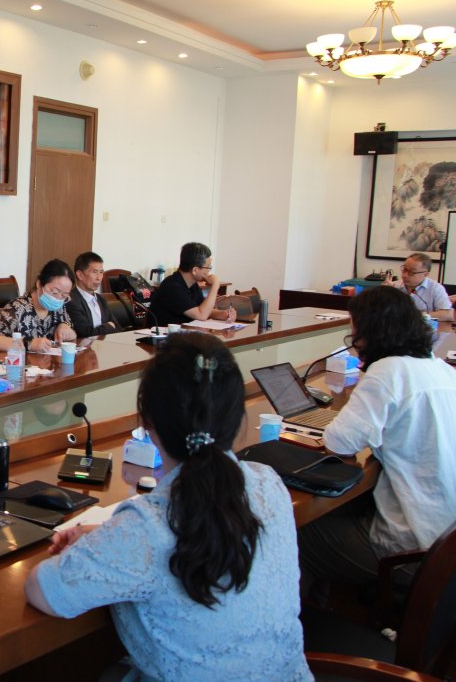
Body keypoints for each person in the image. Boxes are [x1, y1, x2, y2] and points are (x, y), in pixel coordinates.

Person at [24, 333, 311, 681]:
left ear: (147, 422)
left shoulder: (147, 526)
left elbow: (42, 589)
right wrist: (109, 536)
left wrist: (112, 539)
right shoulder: (268, 485)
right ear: (238, 416)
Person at [298, 285, 456, 591]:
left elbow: (338, 444)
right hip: (446, 543)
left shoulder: (387, 372)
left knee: (295, 528)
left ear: (369, 331)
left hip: (413, 551)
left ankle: (314, 614)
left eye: (354, 328)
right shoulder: (442, 369)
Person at [0, 259, 77, 353]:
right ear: (39, 284)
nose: (58, 299)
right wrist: (29, 344)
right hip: (19, 361)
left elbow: (73, 335)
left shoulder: (59, 307)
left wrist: (65, 327)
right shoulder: (17, 308)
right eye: (55, 292)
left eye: (64, 295)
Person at [149, 242, 236, 326]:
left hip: (184, 332)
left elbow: (203, 309)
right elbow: (202, 315)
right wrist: (215, 285)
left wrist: (224, 314)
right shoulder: (172, 286)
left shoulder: (192, 285)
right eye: (208, 267)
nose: (209, 271)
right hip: (164, 335)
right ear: (195, 270)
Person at [66, 251, 123, 338]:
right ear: (80, 275)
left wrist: (108, 327)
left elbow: (118, 328)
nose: (99, 278)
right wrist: (109, 326)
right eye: (94, 272)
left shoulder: (101, 299)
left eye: (101, 272)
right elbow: (86, 334)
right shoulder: (71, 300)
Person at [385, 252, 453, 321]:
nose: (405, 275)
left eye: (412, 272)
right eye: (404, 269)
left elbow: (448, 314)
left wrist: (420, 316)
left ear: (425, 274)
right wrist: (384, 293)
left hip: (423, 326)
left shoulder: (435, 288)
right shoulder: (394, 286)